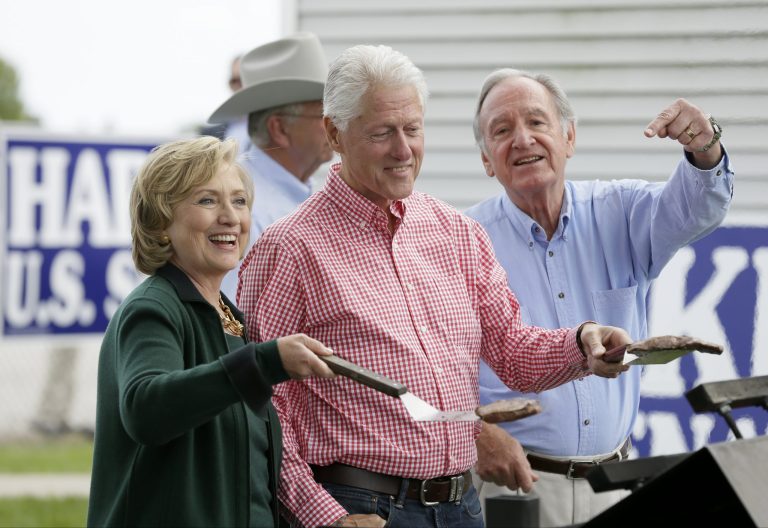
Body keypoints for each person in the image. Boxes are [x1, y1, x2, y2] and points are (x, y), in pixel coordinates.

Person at [237, 44, 633, 528]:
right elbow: (264, 415)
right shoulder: (290, 249)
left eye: (413, 129)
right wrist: (326, 519)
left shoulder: (456, 231)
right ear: (333, 133)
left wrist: (582, 344)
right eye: (382, 132)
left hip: (463, 505)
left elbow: (512, 350)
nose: (404, 150)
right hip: (361, 508)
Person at [465, 68, 733, 526]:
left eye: (537, 122)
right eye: (502, 130)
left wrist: (704, 146)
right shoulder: (462, 240)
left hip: (616, 482)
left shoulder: (621, 211)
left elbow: (696, 209)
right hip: (515, 489)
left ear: (569, 137)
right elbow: (429, 367)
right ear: (488, 160)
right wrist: (474, 435)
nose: (523, 139)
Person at [86, 136, 336, 527]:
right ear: (160, 223)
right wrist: (263, 362)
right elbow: (146, 408)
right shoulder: (153, 308)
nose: (230, 217)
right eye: (207, 200)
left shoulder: (234, 319)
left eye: (239, 201)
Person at [207, 32, 334, 301]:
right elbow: (231, 321)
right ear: (279, 128)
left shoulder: (266, 197)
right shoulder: (241, 209)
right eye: (323, 115)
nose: (335, 126)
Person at [199, 54, 252, 155]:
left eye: (244, 79)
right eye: (234, 81)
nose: (239, 86)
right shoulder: (209, 135)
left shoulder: (277, 129)